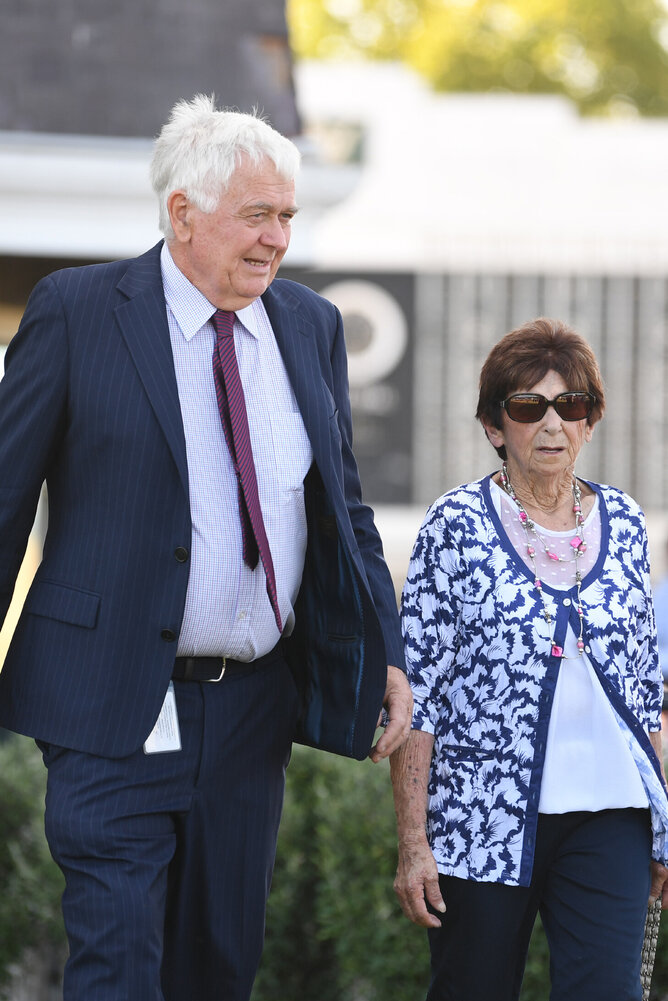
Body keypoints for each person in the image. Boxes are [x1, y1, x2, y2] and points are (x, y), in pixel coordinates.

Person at [0, 95, 412, 1001]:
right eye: (256, 215)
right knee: (119, 962)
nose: (277, 238)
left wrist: (384, 645)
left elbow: (342, 503)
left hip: (250, 712)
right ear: (183, 212)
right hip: (110, 700)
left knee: (220, 965)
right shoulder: (78, 311)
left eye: (288, 216)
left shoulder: (308, 324)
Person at [390, 317, 668, 1001]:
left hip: (611, 810)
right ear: (494, 425)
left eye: (570, 406)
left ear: (590, 421)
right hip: (482, 817)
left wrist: (665, 813)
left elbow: (644, 686)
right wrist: (413, 841)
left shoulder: (628, 523)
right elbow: (417, 693)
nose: (551, 424)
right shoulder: (455, 524)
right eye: (527, 407)